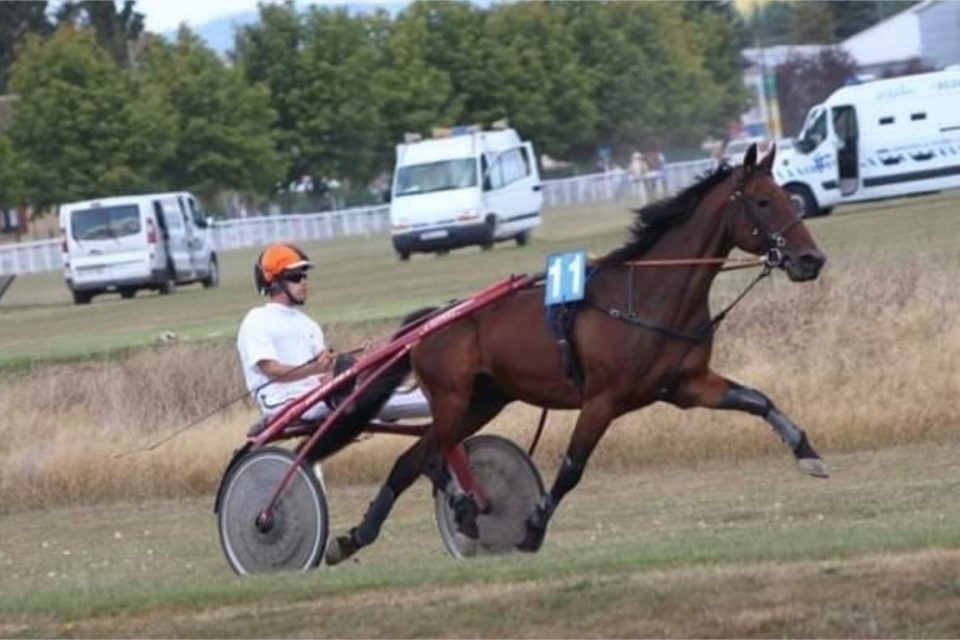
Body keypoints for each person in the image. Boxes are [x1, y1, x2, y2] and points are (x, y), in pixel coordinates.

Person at [236, 243, 429, 425]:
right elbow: (271, 369)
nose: (303, 282)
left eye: (305, 276)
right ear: (275, 282)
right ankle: (358, 405)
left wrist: (362, 364)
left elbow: (323, 375)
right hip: (283, 403)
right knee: (354, 381)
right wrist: (316, 369)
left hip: (318, 397)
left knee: (378, 383)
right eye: (295, 277)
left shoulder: (307, 324)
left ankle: (363, 401)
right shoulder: (257, 319)